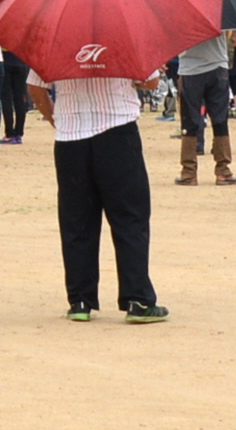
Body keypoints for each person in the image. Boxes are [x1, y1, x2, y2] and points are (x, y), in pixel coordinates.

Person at [30, 66, 168, 323]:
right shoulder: (122, 36)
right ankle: (137, 298)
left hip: (71, 134)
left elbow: (36, 85)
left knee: (77, 220)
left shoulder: (57, 39)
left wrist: (53, 116)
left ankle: (80, 300)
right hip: (117, 128)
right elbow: (150, 82)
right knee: (130, 217)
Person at [172, 31, 235, 186]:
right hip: (218, 65)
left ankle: (189, 172)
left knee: (189, 122)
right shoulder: (222, 10)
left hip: (191, 69)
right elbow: (228, 36)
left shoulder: (182, 12)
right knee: (220, 119)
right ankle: (223, 170)